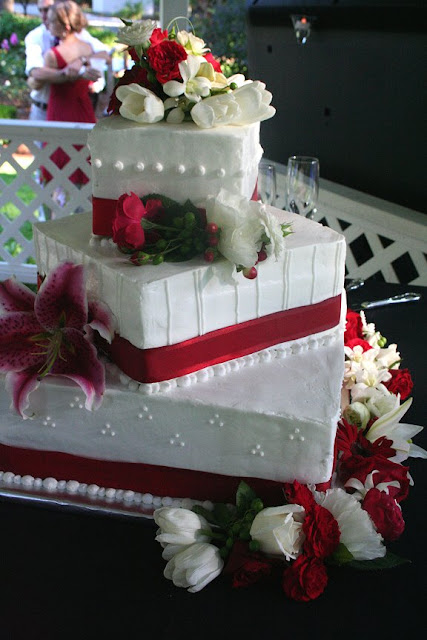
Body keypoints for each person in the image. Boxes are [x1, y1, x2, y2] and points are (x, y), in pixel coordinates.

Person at [25, 0, 110, 121]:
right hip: (43, 107)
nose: (44, 16)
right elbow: (36, 74)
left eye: (48, 10)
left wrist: (81, 60)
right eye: (40, 10)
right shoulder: (35, 36)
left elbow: (105, 55)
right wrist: (73, 73)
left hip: (74, 106)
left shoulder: (81, 36)